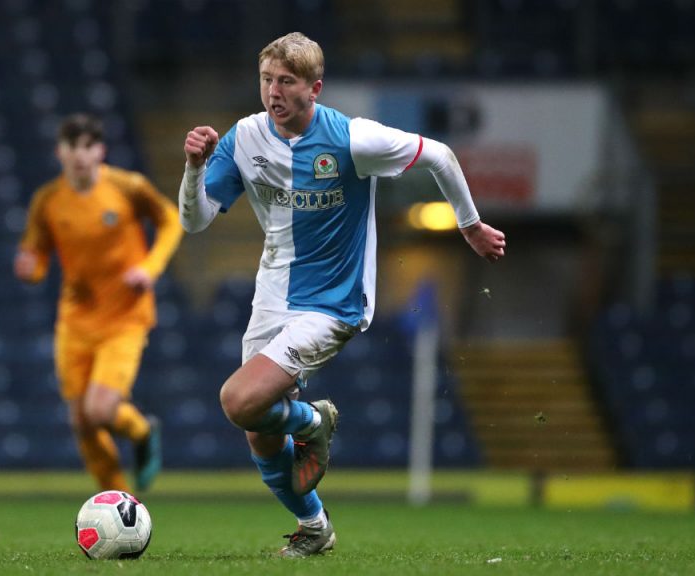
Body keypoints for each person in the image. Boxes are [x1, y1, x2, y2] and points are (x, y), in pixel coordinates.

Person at [178, 32, 506, 557]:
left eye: (286, 81)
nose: (273, 92)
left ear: (315, 87)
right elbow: (193, 222)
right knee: (259, 431)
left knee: (238, 400)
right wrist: (194, 170)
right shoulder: (244, 139)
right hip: (272, 295)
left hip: (334, 302)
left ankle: (313, 420)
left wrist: (469, 226)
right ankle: (315, 529)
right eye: (266, 79)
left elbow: (440, 154)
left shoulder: (353, 139)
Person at [15, 113, 183, 493]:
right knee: (82, 422)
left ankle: (141, 431)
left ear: (101, 151)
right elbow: (37, 255)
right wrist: (31, 269)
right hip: (75, 321)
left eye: (88, 146)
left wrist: (150, 267)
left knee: (101, 410)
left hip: (125, 317)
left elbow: (171, 219)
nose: (80, 155)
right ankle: (117, 498)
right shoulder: (48, 201)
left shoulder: (127, 187)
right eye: (72, 147)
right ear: (60, 152)